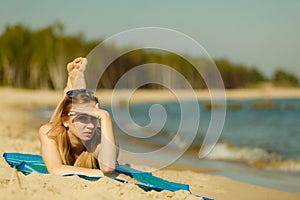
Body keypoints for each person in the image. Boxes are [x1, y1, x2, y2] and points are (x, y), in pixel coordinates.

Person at [39, 57, 126, 178]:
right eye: (83, 118)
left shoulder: (99, 139)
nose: (90, 125)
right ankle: (70, 87)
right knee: (55, 126)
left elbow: (108, 169)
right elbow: (55, 169)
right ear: (65, 120)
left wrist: (104, 115)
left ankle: (72, 86)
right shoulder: (48, 132)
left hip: (66, 124)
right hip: (61, 128)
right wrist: (99, 173)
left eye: (94, 118)